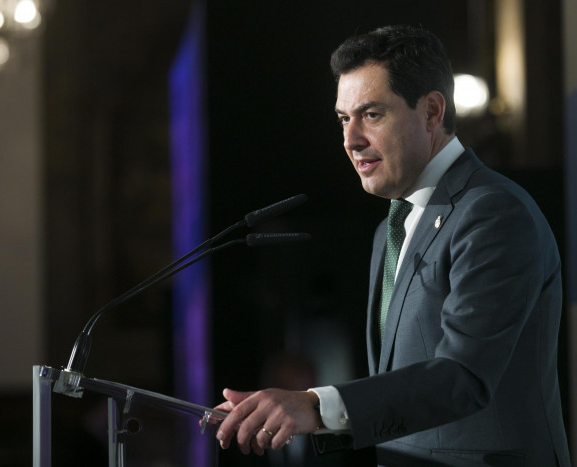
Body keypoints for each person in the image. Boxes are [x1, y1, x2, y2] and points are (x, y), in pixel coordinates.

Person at [212, 25, 571, 466]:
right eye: (344, 118)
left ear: (431, 112)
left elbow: (463, 377)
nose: (350, 140)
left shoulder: (493, 213)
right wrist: (294, 415)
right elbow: (400, 391)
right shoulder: (391, 229)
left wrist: (314, 405)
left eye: (372, 115)